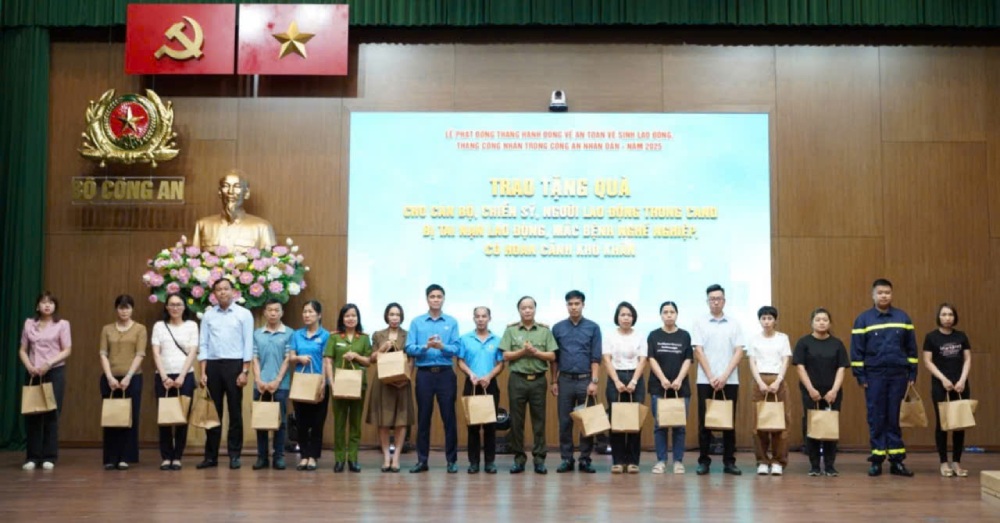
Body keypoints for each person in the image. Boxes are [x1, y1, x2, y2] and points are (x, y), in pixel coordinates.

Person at [851, 278, 917, 477]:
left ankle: (897, 461)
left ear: (892, 294)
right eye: (880, 293)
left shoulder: (903, 318)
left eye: (887, 292)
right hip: (874, 376)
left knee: (895, 417)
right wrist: (861, 376)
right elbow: (856, 351)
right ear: (873, 295)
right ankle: (877, 460)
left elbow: (911, 348)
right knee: (876, 417)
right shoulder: (863, 320)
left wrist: (912, 373)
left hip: (898, 375)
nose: (884, 296)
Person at [197, 278, 254, 470]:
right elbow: (203, 343)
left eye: (226, 289)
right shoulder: (208, 315)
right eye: (219, 289)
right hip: (213, 366)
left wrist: (245, 371)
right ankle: (210, 456)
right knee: (213, 412)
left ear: (233, 291)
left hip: (235, 365)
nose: (222, 292)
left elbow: (248, 343)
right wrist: (203, 371)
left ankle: (234, 455)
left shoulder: (244, 314)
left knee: (235, 412)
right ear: (214, 294)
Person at [499, 296, 558, 475]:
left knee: (539, 421)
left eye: (530, 307)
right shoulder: (510, 330)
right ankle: (519, 459)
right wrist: (523, 351)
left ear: (535, 309)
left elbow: (552, 356)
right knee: (516, 422)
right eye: (523, 308)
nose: (527, 310)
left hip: (538, 380)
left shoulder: (544, 331)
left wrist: (536, 352)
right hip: (517, 379)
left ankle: (539, 460)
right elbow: (505, 356)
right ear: (519, 310)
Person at [406, 284, 461, 473]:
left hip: (445, 374)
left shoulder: (452, 322)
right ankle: (422, 461)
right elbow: (409, 348)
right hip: (424, 374)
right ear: (427, 299)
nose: (436, 299)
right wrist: (426, 346)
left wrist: (442, 347)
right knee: (423, 418)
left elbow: (456, 348)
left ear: (443, 299)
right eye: (432, 296)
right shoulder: (417, 322)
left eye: (439, 296)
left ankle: (452, 461)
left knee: (449, 418)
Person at [692, 284, 745, 475]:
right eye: (712, 299)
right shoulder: (700, 322)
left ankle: (729, 462)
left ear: (724, 301)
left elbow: (739, 351)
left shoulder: (734, 323)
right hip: (705, 380)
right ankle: (703, 461)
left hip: (729, 380)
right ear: (707, 301)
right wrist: (712, 376)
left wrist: (724, 376)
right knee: (704, 422)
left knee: (728, 422)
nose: (715, 302)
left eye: (719, 299)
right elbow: (698, 351)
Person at [18, 292, 72, 471]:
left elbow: (67, 350)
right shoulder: (29, 324)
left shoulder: (62, 324)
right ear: (37, 306)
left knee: (51, 413)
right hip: (33, 373)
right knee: (33, 414)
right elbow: (23, 350)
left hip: (53, 372)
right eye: (43, 302)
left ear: (55, 306)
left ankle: (49, 456)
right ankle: (32, 457)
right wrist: (29, 366)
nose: (47, 305)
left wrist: (49, 363)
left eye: (51, 303)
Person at [793, 308, 849, 477]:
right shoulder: (804, 342)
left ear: (830, 323)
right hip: (811, 392)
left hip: (832, 392)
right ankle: (815, 465)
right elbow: (800, 367)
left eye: (825, 320)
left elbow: (841, 368)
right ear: (812, 323)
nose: (821, 323)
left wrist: (834, 390)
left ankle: (830, 465)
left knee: (830, 425)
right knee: (812, 425)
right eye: (818, 320)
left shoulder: (837, 344)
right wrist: (811, 389)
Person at [551, 290, 602, 474]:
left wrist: (594, 381)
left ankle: (585, 459)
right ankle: (567, 459)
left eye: (577, 304)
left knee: (587, 421)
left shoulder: (593, 327)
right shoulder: (557, 328)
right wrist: (553, 381)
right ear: (566, 305)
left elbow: (595, 358)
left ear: (583, 305)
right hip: (564, 380)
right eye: (570, 304)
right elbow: (554, 359)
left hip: (585, 380)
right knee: (565, 422)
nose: (574, 307)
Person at [922, 303, 972, 478]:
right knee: (942, 423)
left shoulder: (961, 336)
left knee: (959, 423)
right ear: (939, 317)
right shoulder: (931, 337)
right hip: (940, 385)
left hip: (960, 385)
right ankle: (943, 462)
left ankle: (956, 462)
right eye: (944, 314)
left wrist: (962, 380)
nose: (947, 318)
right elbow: (927, 361)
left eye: (950, 314)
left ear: (954, 317)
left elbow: (967, 359)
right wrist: (943, 379)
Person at [150, 293, 199, 471]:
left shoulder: (192, 325)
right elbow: (156, 353)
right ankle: (166, 457)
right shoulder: (159, 326)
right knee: (164, 418)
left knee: (181, 418)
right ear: (166, 307)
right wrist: (164, 377)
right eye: (172, 304)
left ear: (184, 307)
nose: (175, 308)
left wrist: (182, 376)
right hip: (163, 376)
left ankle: (177, 456)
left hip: (185, 376)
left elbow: (193, 352)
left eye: (179, 304)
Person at [98, 294, 146, 470]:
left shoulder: (140, 329)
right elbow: (103, 353)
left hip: (132, 378)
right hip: (110, 378)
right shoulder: (107, 329)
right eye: (121, 307)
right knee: (111, 418)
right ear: (116, 309)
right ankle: (110, 458)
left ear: (132, 309)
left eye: (127, 308)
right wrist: (109, 377)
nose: (124, 311)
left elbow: (140, 354)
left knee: (130, 418)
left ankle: (126, 456)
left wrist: (128, 377)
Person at [367, 302, 414, 473]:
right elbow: (372, 358)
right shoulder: (378, 335)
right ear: (386, 316)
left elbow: (411, 359)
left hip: (402, 383)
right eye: (392, 314)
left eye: (397, 315)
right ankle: (386, 457)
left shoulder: (408, 335)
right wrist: (382, 348)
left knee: (401, 421)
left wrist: (407, 377)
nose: (395, 318)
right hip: (383, 382)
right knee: (384, 421)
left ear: (402, 317)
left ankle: (396, 458)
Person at [324, 303, 372, 472]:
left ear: (358, 318)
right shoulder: (334, 337)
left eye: (353, 315)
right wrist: (331, 382)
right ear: (342, 319)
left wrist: (356, 355)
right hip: (339, 385)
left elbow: (368, 361)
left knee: (355, 424)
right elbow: (328, 361)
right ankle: (339, 459)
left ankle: (353, 458)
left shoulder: (364, 338)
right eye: (347, 316)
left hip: (358, 385)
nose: (350, 319)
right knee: (339, 423)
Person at [647, 301, 692, 475]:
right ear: (661, 315)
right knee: (660, 425)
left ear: (677, 314)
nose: (669, 315)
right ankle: (661, 461)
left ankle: (678, 461)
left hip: (681, 388)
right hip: (659, 387)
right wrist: (663, 379)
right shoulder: (653, 335)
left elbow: (688, 359)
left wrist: (679, 379)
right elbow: (651, 359)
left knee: (679, 426)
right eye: (665, 312)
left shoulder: (684, 335)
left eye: (672, 312)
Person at [457, 306, 503, 474]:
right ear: (474, 318)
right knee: (473, 426)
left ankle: (490, 462)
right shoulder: (465, 338)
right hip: (472, 384)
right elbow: (460, 361)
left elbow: (501, 364)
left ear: (489, 318)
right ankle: (474, 463)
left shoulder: (497, 339)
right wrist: (471, 374)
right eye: (478, 316)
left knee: (490, 426)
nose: (481, 319)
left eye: (484, 316)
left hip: (490, 385)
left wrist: (489, 376)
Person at [747, 305, 792, 476]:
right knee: (759, 423)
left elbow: (785, 360)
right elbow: (752, 362)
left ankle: (778, 461)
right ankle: (762, 461)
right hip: (759, 382)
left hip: (778, 381)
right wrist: (760, 382)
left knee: (781, 422)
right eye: (763, 318)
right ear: (759, 320)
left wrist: (778, 381)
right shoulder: (754, 339)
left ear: (775, 320)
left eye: (770, 318)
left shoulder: (782, 338)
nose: (766, 321)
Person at [603, 301, 647, 474]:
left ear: (633, 317)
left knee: (634, 420)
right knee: (617, 420)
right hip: (616, 378)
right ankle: (618, 460)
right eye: (623, 315)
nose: (626, 318)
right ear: (617, 317)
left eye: (629, 315)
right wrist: (617, 381)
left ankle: (633, 461)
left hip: (636, 378)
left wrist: (634, 381)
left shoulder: (640, 336)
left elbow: (642, 360)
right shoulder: (610, 335)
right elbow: (607, 359)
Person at [251, 298, 292, 471]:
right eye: (270, 310)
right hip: (260, 385)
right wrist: (258, 380)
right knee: (261, 421)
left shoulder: (289, 333)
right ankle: (262, 457)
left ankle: (278, 456)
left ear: (282, 312)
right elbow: (255, 358)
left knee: (280, 422)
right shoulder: (257, 334)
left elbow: (288, 359)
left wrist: (277, 381)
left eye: (276, 310)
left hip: (280, 385)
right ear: (265, 313)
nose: (273, 313)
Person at [192, 169, 277, 252]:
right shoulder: (203, 225)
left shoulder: (262, 228)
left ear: (246, 193)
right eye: (226, 186)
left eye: (237, 186)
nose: (231, 191)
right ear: (220, 192)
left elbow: (269, 258)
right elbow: (193, 258)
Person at [290, 300, 330, 471]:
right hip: (301, 383)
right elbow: (291, 357)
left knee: (317, 422)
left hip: (318, 382)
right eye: (305, 312)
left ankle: (313, 456)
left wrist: (323, 382)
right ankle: (304, 456)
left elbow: (327, 361)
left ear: (319, 315)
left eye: (311, 312)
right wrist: (299, 358)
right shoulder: (297, 335)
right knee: (301, 422)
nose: (307, 315)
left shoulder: (326, 335)